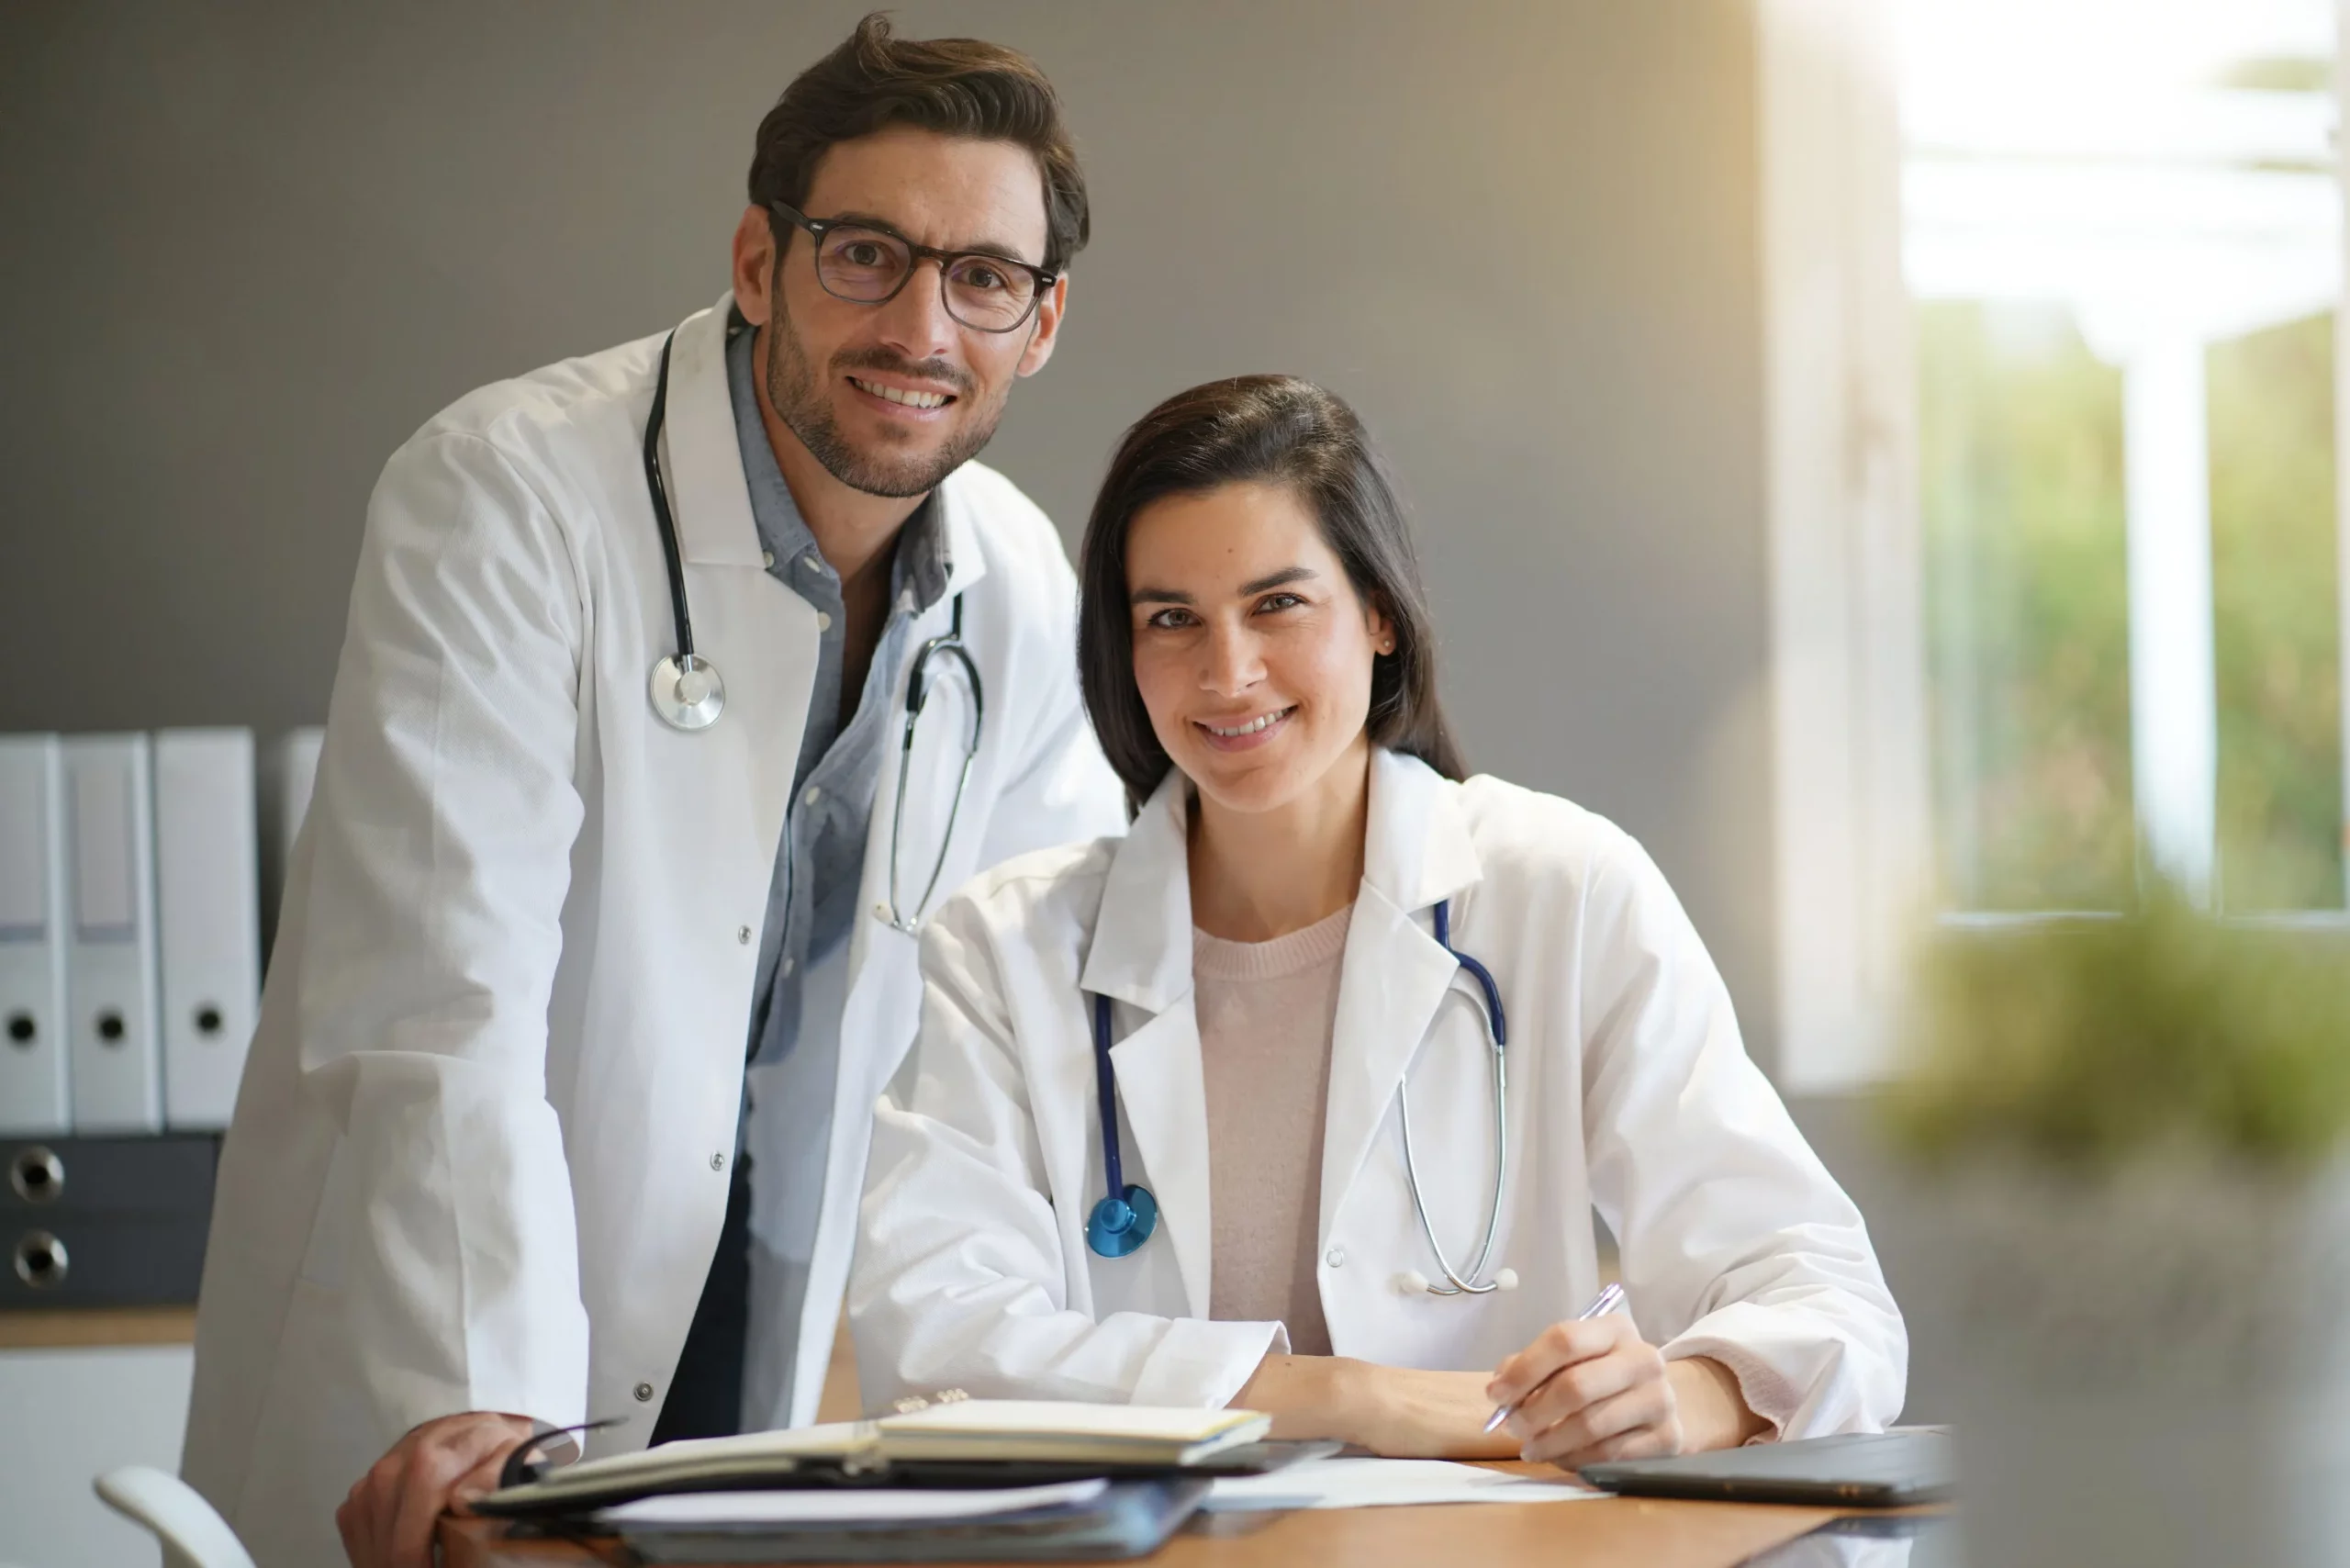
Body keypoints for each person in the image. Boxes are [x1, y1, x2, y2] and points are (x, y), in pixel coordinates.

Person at [182, 17, 1125, 1567]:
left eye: (983, 280)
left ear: (1042, 321)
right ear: (759, 261)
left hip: (771, 1400)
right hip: (475, 1372)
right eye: (866, 254)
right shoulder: (504, 495)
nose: (922, 326)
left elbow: (1032, 1028)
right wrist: (493, 1415)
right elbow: (440, 1005)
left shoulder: (1013, 581)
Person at [851, 375, 1906, 1462]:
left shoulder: (1562, 892)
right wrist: (1356, 1399)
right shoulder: (1007, 949)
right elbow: (933, 1342)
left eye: (1278, 604)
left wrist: (1687, 1396)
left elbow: (1825, 1296)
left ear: (1380, 615)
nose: (1228, 672)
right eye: (1171, 619)